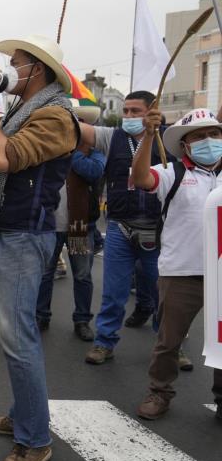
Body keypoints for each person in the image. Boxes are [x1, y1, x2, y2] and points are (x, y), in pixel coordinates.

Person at [0, 35, 78, 461]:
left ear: (38, 69)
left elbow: (2, 158)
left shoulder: (54, 116)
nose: (8, 68)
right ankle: (23, 417)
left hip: (23, 233)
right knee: (17, 335)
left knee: (19, 339)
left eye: (16, 63)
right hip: (12, 231)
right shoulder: (28, 110)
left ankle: (34, 441)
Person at [129, 108, 222, 421]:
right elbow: (141, 178)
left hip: (220, 275)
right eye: (199, 136)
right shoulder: (173, 173)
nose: (209, 141)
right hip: (182, 274)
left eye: (215, 134)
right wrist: (145, 138)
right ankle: (159, 392)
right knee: (169, 342)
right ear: (185, 145)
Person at [78, 91, 171, 365]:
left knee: (163, 292)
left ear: (152, 111)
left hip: (157, 229)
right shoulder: (112, 137)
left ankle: (170, 346)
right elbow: (75, 128)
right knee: (113, 291)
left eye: (135, 111)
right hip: (120, 227)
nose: (128, 116)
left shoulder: (170, 140)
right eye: (126, 111)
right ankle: (104, 342)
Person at [34, 101, 106, 341]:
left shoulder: (92, 151)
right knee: (45, 273)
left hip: (78, 226)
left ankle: (82, 320)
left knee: (83, 275)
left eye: (77, 121)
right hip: (50, 225)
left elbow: (94, 172)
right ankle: (40, 316)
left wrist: (70, 151)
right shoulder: (49, 148)